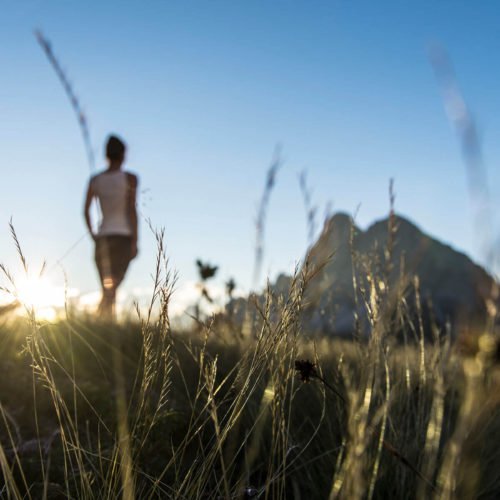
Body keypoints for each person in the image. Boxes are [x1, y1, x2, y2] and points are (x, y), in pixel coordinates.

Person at [83, 135, 138, 319]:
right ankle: (101, 324)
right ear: (123, 154)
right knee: (111, 288)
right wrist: (135, 240)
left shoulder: (95, 180)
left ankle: (101, 325)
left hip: (103, 239)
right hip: (123, 239)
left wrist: (93, 235)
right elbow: (131, 210)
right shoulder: (130, 178)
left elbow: (85, 210)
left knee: (109, 288)